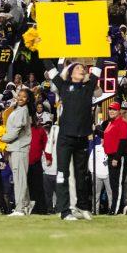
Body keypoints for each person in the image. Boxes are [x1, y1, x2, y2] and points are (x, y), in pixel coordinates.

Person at [46, 62, 98, 221]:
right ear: (70, 73)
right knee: (62, 174)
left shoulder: (89, 87)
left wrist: (105, 44)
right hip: (65, 138)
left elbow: (99, 67)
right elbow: (52, 70)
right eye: (77, 68)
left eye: (83, 68)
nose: (81, 69)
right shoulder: (63, 86)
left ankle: (82, 206)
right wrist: (41, 49)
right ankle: (64, 211)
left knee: (82, 175)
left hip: (82, 138)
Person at [1, 87, 33, 216]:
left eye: (24, 97)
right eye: (19, 95)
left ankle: (20, 209)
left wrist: (1, 138)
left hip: (19, 148)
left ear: (28, 99)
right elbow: (6, 114)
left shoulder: (23, 111)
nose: (20, 98)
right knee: (20, 178)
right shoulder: (17, 109)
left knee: (19, 179)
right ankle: (26, 205)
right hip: (15, 148)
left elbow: (15, 132)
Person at [102, 101, 127, 214]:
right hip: (111, 156)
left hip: (119, 156)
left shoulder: (122, 123)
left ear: (119, 111)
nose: (111, 111)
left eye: (114, 109)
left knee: (117, 184)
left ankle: (115, 209)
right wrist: (96, 131)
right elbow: (109, 137)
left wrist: (117, 157)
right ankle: (121, 207)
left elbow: (122, 141)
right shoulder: (111, 123)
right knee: (113, 184)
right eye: (110, 109)